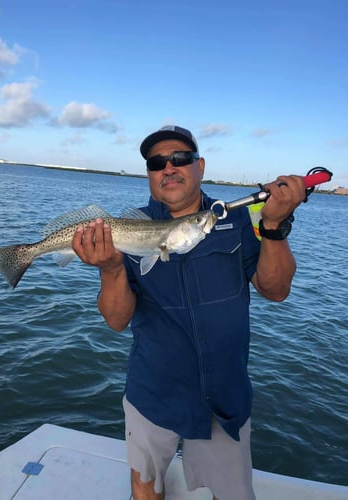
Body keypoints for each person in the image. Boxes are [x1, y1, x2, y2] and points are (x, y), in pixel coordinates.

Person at [72, 125, 306, 500]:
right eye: (156, 162)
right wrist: (111, 267)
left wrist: (274, 225)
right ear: (149, 172)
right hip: (153, 393)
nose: (169, 167)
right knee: (145, 489)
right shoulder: (130, 229)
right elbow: (116, 321)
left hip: (225, 398)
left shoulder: (236, 221)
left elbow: (275, 291)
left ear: (200, 166)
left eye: (180, 158)